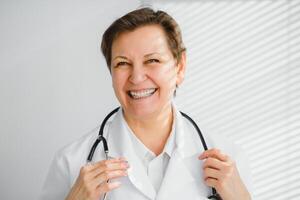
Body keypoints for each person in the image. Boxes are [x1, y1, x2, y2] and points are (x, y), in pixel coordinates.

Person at [40, 7, 252, 200]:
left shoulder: (229, 161)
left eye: (152, 60)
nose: (137, 77)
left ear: (180, 67)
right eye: (122, 63)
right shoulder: (71, 163)